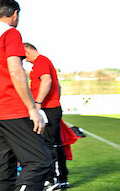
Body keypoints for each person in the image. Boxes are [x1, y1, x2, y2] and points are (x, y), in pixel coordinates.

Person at [0, 0, 51, 191]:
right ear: (15, 14)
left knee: (3, 171)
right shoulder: (11, 33)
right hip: (11, 110)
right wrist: (33, 108)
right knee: (40, 161)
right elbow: (16, 71)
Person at [24, 43, 69, 189]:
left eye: (23, 55)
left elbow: (47, 80)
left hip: (48, 109)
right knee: (55, 143)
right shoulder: (43, 61)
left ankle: (52, 180)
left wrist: (38, 103)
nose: (23, 58)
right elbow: (58, 85)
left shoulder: (41, 61)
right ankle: (61, 178)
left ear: (27, 51)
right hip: (52, 108)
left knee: (48, 144)